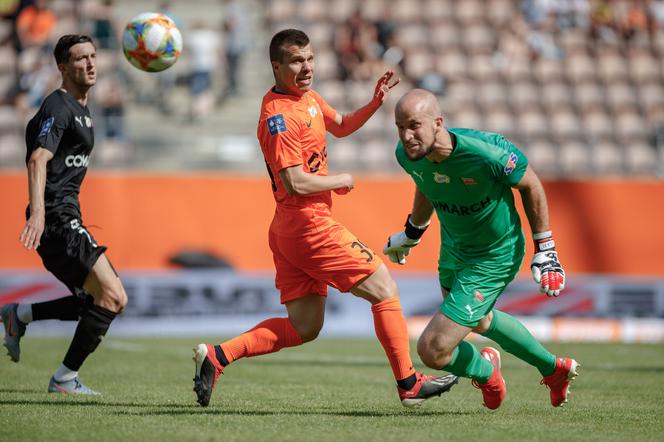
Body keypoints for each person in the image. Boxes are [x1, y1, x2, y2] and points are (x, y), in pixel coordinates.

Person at [191, 29, 458, 408]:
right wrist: (341, 180)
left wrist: (374, 103)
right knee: (384, 288)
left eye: (311, 59)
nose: (306, 67)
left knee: (305, 327)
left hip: (291, 227)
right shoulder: (278, 117)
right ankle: (409, 383)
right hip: (307, 223)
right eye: (297, 61)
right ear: (276, 66)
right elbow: (295, 181)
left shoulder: (309, 99)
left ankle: (218, 357)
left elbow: (343, 125)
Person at [383, 88, 578, 410]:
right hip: (453, 249)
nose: (406, 135)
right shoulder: (407, 156)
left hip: (494, 255)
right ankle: (553, 369)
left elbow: (531, 184)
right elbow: (426, 182)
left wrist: (546, 249)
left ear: (438, 123)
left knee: (433, 349)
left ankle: (486, 372)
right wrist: (412, 232)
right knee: (480, 320)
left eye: (415, 125)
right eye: (400, 126)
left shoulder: (488, 152)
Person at [1, 34, 128, 395]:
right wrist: (38, 215)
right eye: (79, 58)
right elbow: (37, 159)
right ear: (62, 67)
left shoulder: (82, 110)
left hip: (66, 217)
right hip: (57, 219)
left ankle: (20, 314)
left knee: (95, 302)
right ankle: (64, 379)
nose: (89, 64)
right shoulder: (59, 106)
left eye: (92, 56)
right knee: (114, 298)